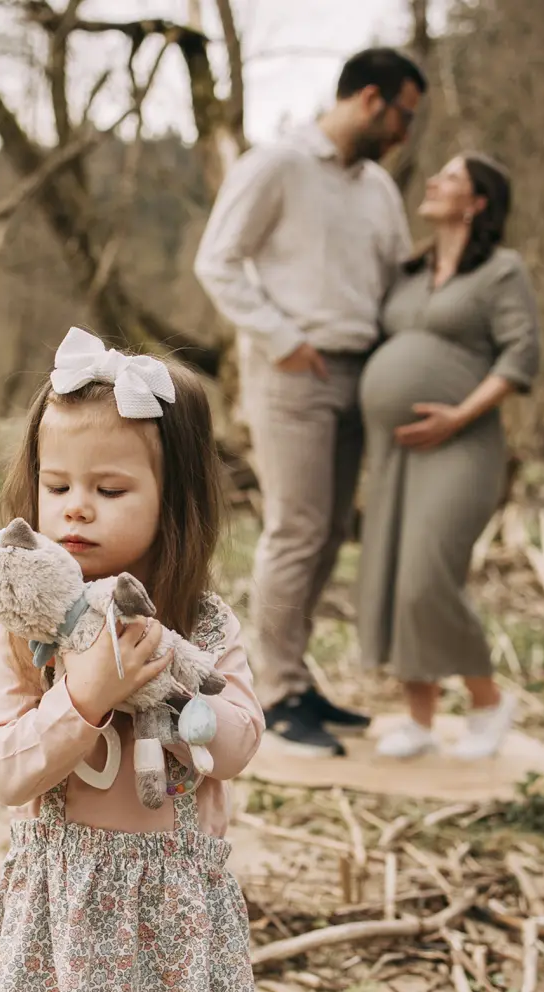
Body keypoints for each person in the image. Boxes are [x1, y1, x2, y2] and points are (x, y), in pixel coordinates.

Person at [0, 329, 268, 992]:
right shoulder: (27, 631)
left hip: (173, 918)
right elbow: (2, 772)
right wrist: (86, 696)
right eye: (58, 485)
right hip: (59, 918)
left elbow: (240, 740)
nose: (76, 511)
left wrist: (179, 691)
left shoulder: (202, 625)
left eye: (109, 489)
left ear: (174, 501)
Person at [194, 47, 428, 758]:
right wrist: (281, 337)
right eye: (402, 117)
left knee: (329, 532)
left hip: (366, 372)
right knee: (295, 527)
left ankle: (299, 683)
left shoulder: (378, 190)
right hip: (292, 371)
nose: (404, 134)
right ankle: (272, 690)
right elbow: (218, 260)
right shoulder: (276, 164)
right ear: (368, 98)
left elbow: (395, 278)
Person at [356, 154, 541, 760]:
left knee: (427, 575)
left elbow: (520, 358)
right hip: (397, 448)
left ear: (478, 202)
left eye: (451, 178)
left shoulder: (500, 271)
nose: (433, 182)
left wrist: (459, 414)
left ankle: (488, 703)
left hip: (462, 443)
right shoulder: (409, 271)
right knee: (390, 571)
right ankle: (420, 718)